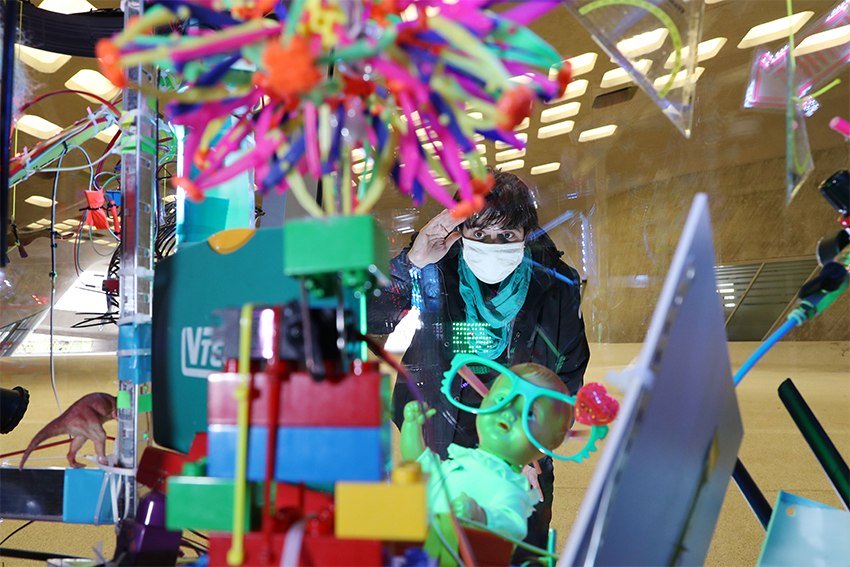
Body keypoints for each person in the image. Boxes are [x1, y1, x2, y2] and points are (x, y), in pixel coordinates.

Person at [369, 170, 590, 555]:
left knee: (518, 543)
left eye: (507, 236)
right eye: (480, 234)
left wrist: (536, 445)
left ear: (527, 233)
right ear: (461, 231)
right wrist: (413, 262)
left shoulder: (555, 284)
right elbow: (370, 317)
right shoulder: (437, 266)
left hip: (519, 439)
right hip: (443, 431)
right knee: (443, 541)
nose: (493, 245)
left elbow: (568, 371)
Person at [400, 362, 574, 542]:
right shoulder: (457, 465)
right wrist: (411, 427)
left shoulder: (510, 490)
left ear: (547, 443)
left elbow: (511, 527)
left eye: (529, 414)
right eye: (501, 400)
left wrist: (481, 516)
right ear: (484, 402)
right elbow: (418, 466)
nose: (508, 413)